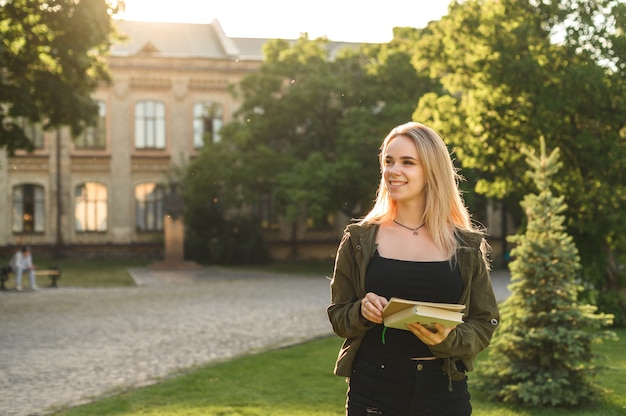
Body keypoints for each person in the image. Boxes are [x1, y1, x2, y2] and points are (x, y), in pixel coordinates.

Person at [327, 122, 500, 415]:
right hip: (374, 388)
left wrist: (449, 339)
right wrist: (361, 312)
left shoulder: (465, 245)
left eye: (407, 162)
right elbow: (338, 316)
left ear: (431, 171)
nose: (393, 171)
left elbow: (485, 322)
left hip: (443, 390)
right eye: (388, 161)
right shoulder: (359, 240)